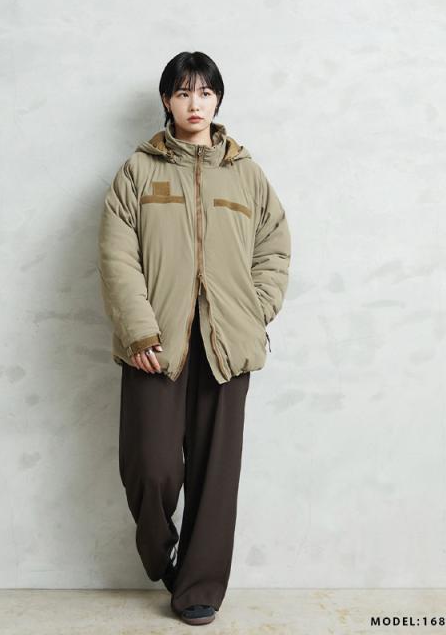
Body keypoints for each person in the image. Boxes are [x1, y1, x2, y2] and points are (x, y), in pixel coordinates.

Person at [98, 51, 291, 626]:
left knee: (216, 474)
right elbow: (117, 257)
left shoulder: (246, 174)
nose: (195, 103)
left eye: (205, 93)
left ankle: (198, 588)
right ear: (167, 100)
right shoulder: (138, 171)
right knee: (151, 465)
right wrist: (138, 330)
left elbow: (274, 249)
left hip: (227, 345)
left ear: (218, 100)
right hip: (155, 345)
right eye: (183, 93)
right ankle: (161, 554)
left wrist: (254, 313)